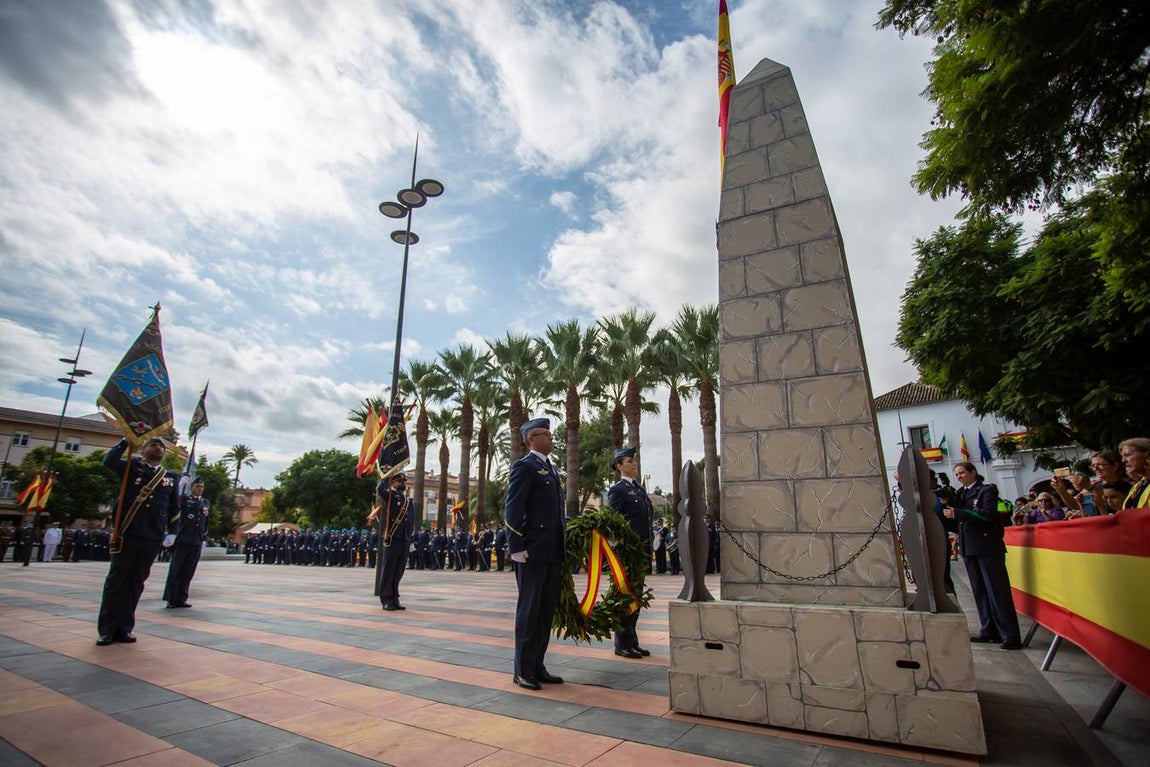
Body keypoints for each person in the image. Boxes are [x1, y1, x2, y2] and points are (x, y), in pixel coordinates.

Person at [96, 437, 180, 646]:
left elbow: (173, 509)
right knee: (117, 581)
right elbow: (109, 461)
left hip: (152, 536)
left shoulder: (170, 476)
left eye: (161, 446)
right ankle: (107, 629)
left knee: (136, 583)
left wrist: (173, 532)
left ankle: (125, 627)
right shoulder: (131, 467)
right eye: (152, 444)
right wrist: (126, 440)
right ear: (142, 449)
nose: (157, 448)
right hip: (127, 533)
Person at [504, 416, 566, 690]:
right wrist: (516, 547)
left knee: (544, 612)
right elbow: (513, 509)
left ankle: (537, 665)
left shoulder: (550, 469)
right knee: (529, 611)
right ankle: (522, 670)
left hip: (551, 550)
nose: (551, 438)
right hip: (531, 552)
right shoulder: (524, 467)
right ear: (532, 438)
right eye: (546, 434)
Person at [942, 461, 1022, 650]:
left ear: (972, 472)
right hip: (969, 548)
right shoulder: (961, 494)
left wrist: (959, 512)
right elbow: (959, 522)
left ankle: (1010, 634)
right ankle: (989, 630)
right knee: (980, 592)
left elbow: (987, 515)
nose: (959, 476)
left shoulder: (986, 490)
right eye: (957, 474)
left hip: (987, 546)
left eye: (962, 472)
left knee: (997, 592)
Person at [607, 446, 653, 659]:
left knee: (636, 597)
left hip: (641, 551)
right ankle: (622, 643)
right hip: (627, 553)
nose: (634, 464)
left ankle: (632, 641)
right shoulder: (618, 490)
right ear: (619, 466)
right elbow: (614, 521)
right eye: (629, 462)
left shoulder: (639, 489)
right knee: (625, 597)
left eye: (634, 461)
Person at [163, 476, 210, 608]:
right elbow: (173, 504)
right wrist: (179, 486)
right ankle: (171, 598)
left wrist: (204, 537)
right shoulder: (184, 499)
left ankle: (182, 598)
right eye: (197, 486)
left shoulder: (205, 502)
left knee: (188, 571)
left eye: (201, 487)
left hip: (196, 540)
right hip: (183, 538)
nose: (200, 489)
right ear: (191, 487)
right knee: (176, 570)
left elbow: (205, 522)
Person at [378, 472, 414, 611]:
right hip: (393, 538)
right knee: (389, 570)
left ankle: (394, 598)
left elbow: (411, 522)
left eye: (404, 482)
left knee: (398, 571)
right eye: (399, 481)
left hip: (404, 539)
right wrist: (386, 475)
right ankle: (386, 599)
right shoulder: (391, 496)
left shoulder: (408, 501)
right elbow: (381, 489)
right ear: (393, 483)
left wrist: (411, 540)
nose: (403, 484)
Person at [1119, 437, 1150, 508]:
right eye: (1123, 456)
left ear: (1148, 455)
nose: (1123, 460)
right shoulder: (1138, 486)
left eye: (1127, 455)